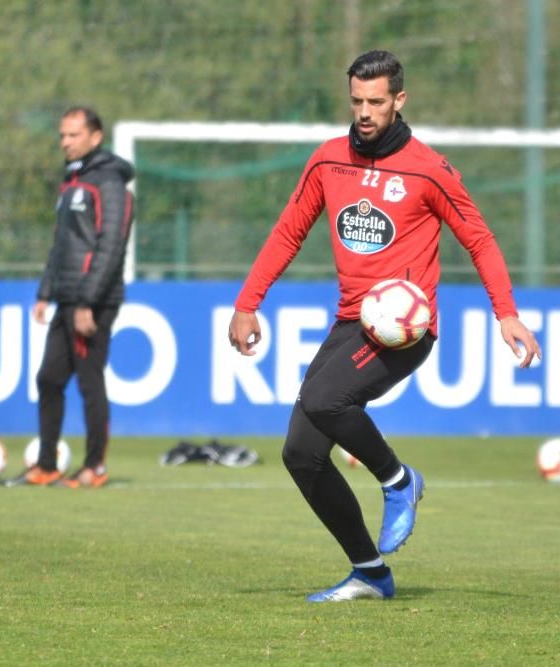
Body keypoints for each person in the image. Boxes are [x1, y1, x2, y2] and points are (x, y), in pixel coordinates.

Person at [228, 50, 541, 602]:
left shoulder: (429, 168)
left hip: (405, 332)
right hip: (351, 323)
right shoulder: (328, 160)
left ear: (399, 100)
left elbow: (480, 239)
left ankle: (399, 481)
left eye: (376, 102)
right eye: (356, 101)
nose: (365, 112)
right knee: (300, 453)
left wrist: (506, 312)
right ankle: (370, 571)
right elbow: (287, 233)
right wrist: (248, 302)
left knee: (323, 400)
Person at [0, 106, 135, 489]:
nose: (65, 142)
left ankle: (95, 467)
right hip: (66, 298)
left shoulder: (110, 183)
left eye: (73, 135)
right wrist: (46, 292)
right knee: (49, 379)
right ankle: (46, 465)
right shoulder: (73, 180)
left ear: (95, 137)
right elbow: (62, 245)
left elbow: (111, 245)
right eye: (62, 135)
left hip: (93, 301)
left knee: (90, 382)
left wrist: (87, 301)